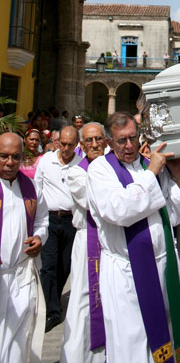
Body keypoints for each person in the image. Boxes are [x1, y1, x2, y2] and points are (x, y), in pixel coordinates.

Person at [86, 111, 180, 363]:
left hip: (163, 264)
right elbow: (119, 210)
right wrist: (152, 173)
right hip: (127, 273)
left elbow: (174, 215)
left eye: (133, 137)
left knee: (166, 332)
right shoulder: (101, 169)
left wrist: (176, 176)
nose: (130, 145)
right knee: (133, 341)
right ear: (109, 143)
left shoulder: (145, 164)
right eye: (122, 140)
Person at [61, 122, 107, 363]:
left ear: (106, 140)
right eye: (88, 140)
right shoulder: (76, 171)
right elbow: (95, 201)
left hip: (110, 239)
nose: (94, 144)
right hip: (86, 238)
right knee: (83, 300)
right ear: (81, 144)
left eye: (98, 139)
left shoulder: (114, 166)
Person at [0, 132, 49, 362]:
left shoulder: (30, 186)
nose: (10, 162)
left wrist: (39, 236)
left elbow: (42, 220)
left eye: (15, 157)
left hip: (21, 275)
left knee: (19, 340)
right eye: (3, 156)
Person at [35, 125, 82, 332]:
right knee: (48, 266)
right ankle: (51, 312)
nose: (66, 148)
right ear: (57, 142)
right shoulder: (46, 161)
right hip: (50, 219)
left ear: (76, 144)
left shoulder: (81, 165)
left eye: (70, 145)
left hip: (71, 221)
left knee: (65, 265)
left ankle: (53, 300)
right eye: (62, 144)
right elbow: (37, 189)